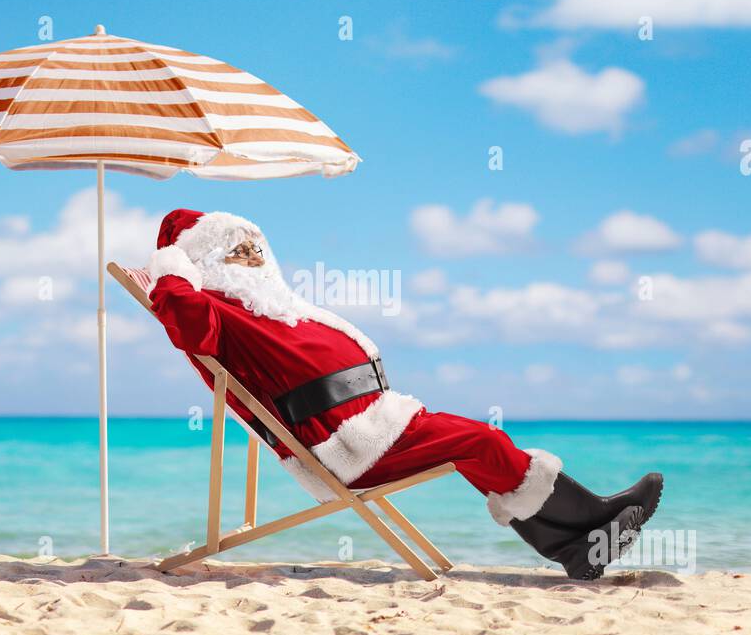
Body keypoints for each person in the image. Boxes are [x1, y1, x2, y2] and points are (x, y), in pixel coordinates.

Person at [144, 208, 663, 579]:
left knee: (478, 444)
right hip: (343, 445)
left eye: (257, 245)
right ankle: (588, 530)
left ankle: (579, 542)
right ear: (207, 261)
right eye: (239, 249)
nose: (255, 257)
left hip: (376, 421)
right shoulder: (216, 310)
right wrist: (172, 271)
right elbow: (187, 326)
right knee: (481, 443)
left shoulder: (266, 304)